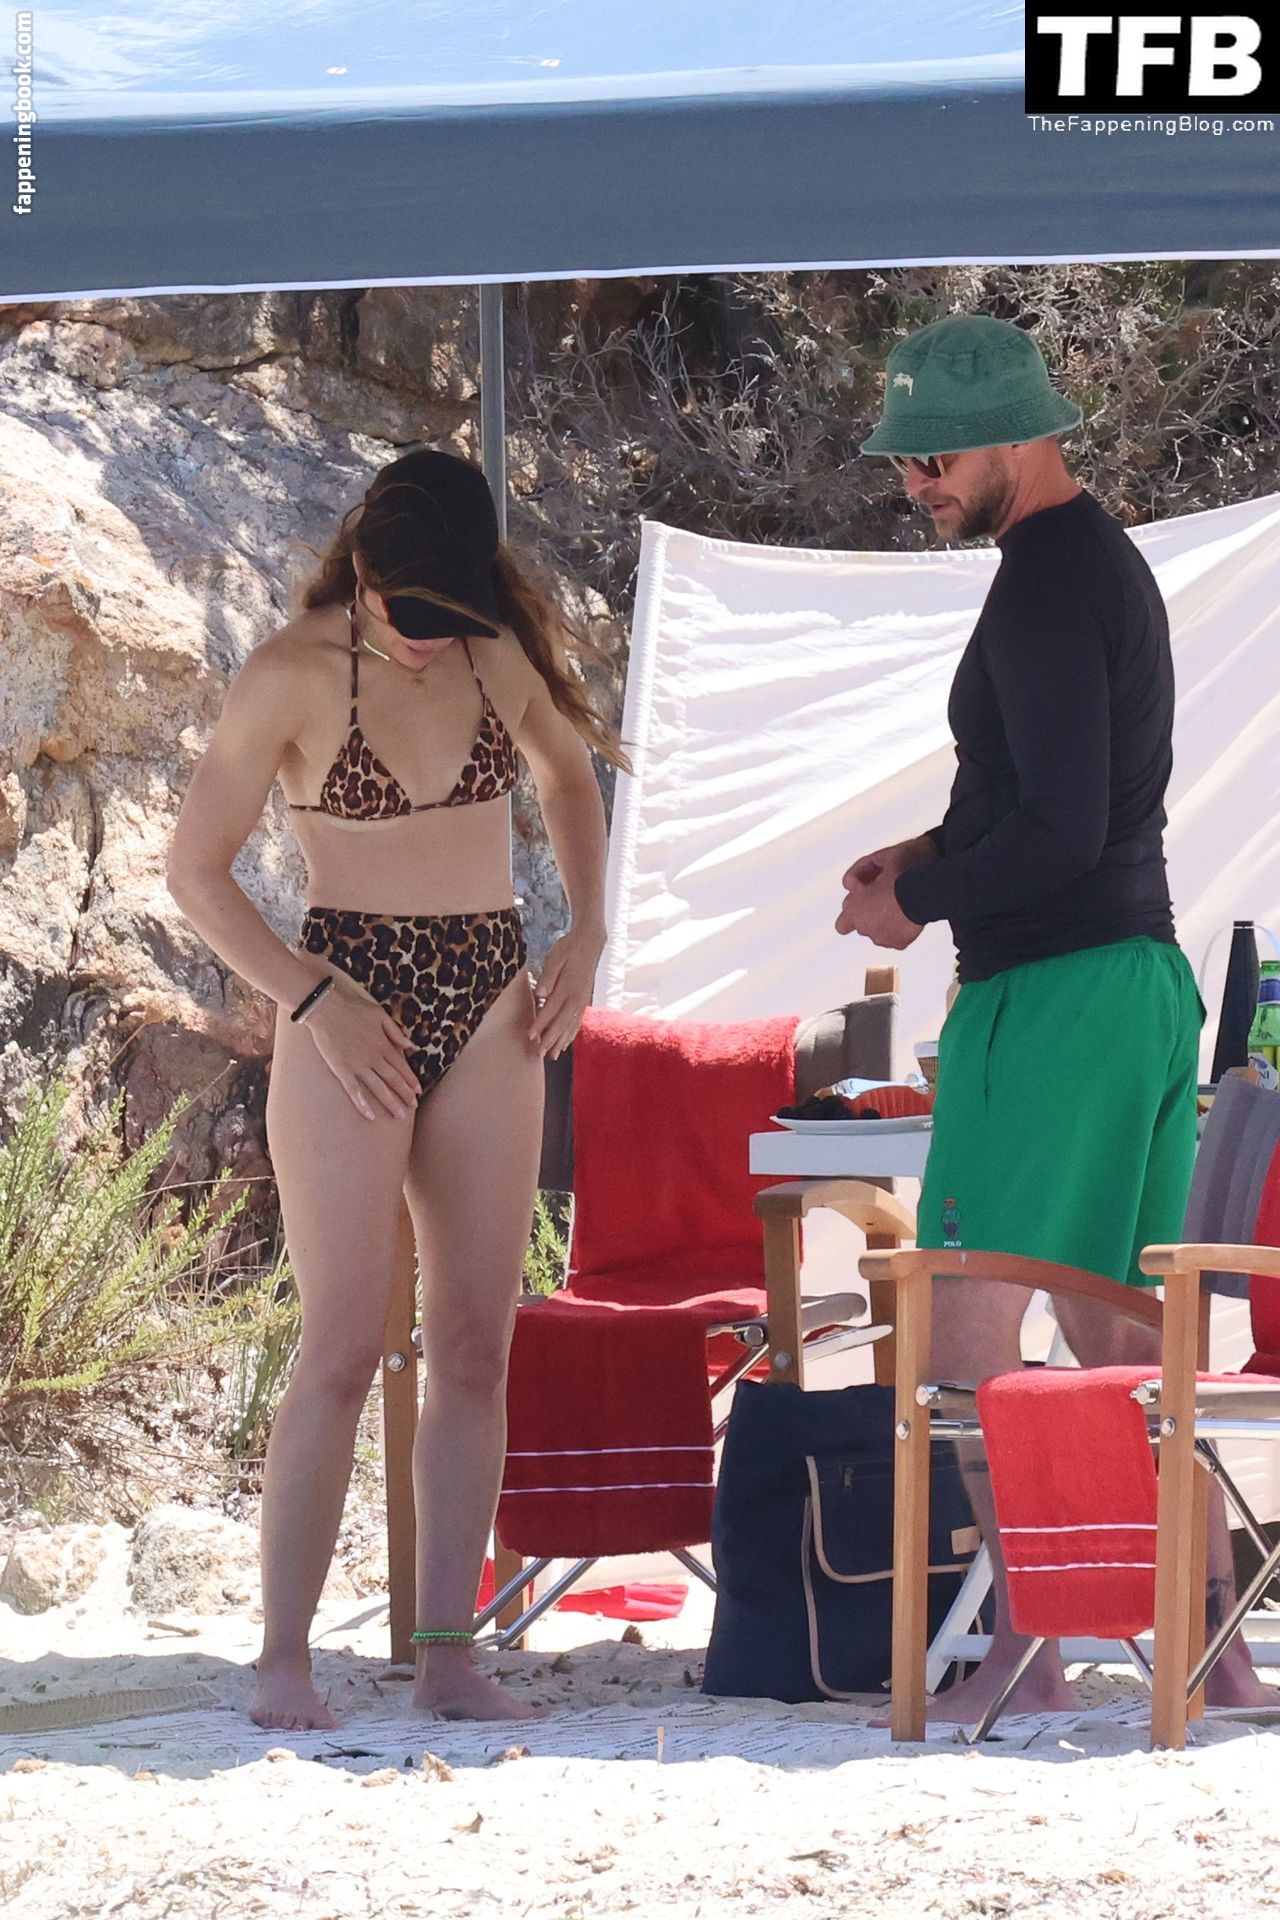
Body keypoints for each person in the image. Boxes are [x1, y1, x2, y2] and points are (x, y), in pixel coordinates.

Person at [837, 313, 1272, 1721]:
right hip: (1136, 985)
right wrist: (925, 852)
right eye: (904, 461)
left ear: (1022, 438)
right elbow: (1048, 796)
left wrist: (920, 901)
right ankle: (1219, 1653)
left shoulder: (1040, 585)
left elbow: (1059, 830)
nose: (917, 483)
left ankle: (1024, 1649)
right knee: (1130, 1348)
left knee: (960, 1331)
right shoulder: (1099, 563)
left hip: (1054, 995)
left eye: (937, 458)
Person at [169, 447, 627, 1731]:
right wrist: (310, 998)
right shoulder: (291, 670)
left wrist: (584, 933)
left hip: (487, 988)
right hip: (345, 995)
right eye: (404, 611)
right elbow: (195, 871)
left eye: (446, 612)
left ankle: (445, 1656)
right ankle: (284, 1658)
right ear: (363, 570)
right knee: (340, 1344)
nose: (425, 636)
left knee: (474, 1343)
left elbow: (568, 777)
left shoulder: (491, 652)